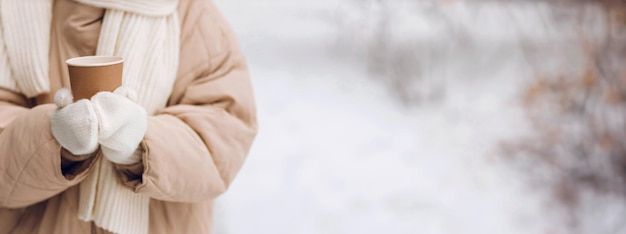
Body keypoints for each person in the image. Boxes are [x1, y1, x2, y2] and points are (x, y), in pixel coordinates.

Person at [0, 0, 257, 233]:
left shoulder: (194, 15)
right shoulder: (12, 11)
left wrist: (139, 145)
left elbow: (223, 137)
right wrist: (55, 139)